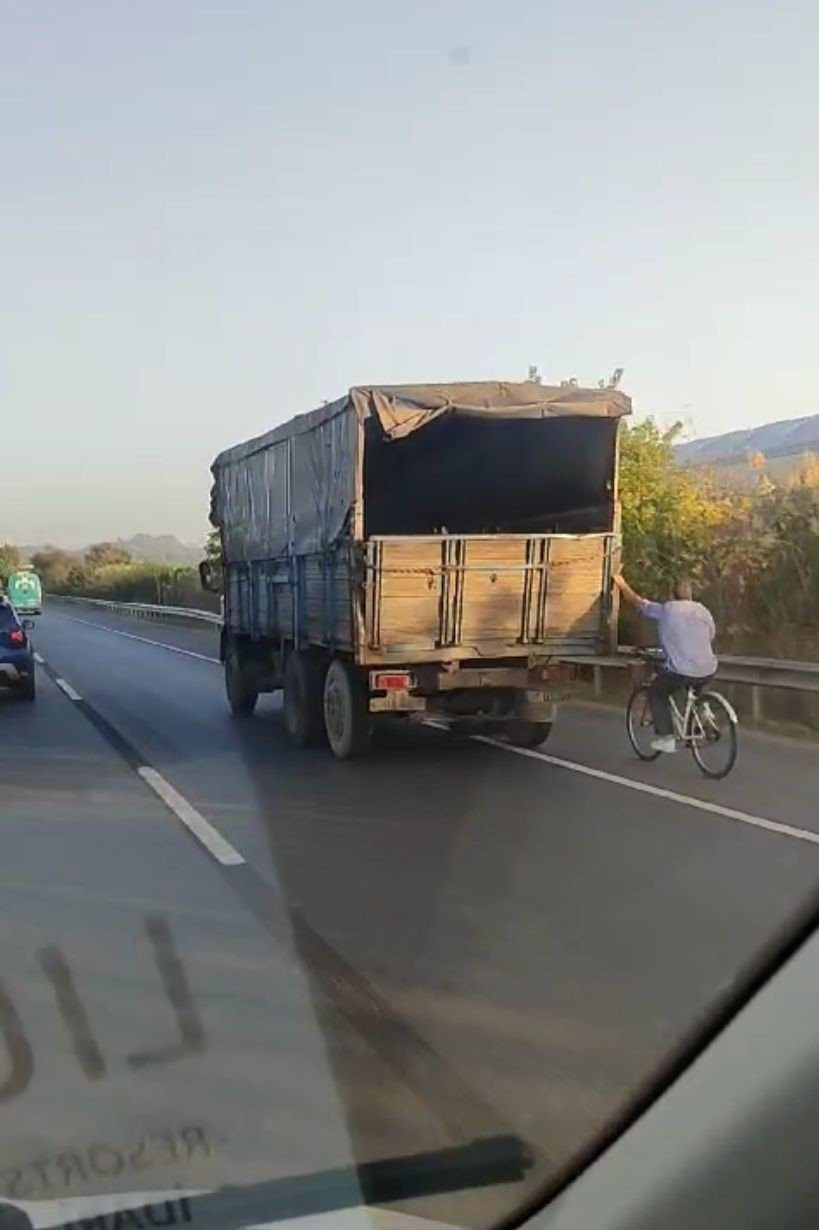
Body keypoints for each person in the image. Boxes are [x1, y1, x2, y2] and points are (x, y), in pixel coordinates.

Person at [613, 572, 717, 753]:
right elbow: (711, 634)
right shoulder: (703, 610)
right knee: (698, 682)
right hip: (708, 667)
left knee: (657, 692)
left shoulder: (666, 609)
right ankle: (705, 714)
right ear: (691, 595)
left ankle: (666, 737)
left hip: (681, 671)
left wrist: (621, 584)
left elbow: (636, 602)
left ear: (672, 595)